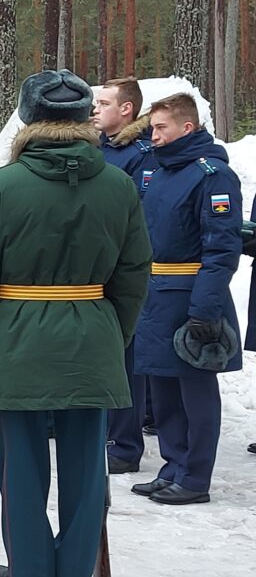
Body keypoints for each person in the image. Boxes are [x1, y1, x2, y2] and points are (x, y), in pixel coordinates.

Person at [0, 69, 151, 577]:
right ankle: (74, 571)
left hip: (14, 336)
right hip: (92, 334)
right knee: (87, 464)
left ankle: (34, 571)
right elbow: (134, 275)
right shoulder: (119, 185)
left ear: (29, 119)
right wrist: (115, 334)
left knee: (20, 463)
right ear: (85, 119)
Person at [130, 93, 242, 506]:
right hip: (156, 295)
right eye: (152, 128)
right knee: (162, 391)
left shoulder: (212, 175)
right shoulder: (157, 174)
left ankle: (195, 478)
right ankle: (172, 467)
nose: (153, 136)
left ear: (186, 127)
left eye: (160, 128)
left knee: (194, 391)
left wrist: (205, 309)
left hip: (192, 295)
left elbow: (221, 249)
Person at [93, 76, 158, 472]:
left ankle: (124, 443)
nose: (95, 109)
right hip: (98, 265)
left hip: (123, 266)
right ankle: (105, 430)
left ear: (126, 109)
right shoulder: (100, 149)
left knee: (126, 356)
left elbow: (135, 218)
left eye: (103, 103)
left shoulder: (140, 154)